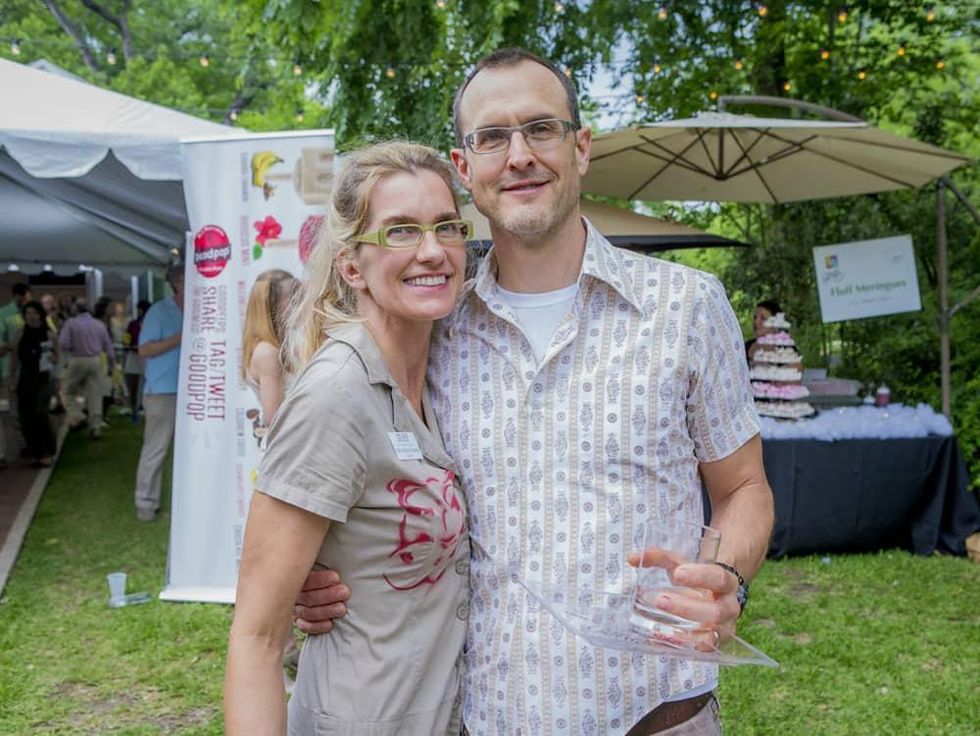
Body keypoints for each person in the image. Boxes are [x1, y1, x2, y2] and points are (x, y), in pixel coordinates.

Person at [297, 48, 775, 735]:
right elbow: (356, 481)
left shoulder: (687, 308)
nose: (518, 154)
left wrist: (724, 573)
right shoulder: (431, 332)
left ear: (581, 148)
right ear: (465, 168)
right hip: (483, 717)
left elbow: (744, 488)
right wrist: (318, 579)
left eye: (541, 129)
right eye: (492, 137)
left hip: (658, 715)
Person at [225, 142, 471, 734]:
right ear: (351, 265)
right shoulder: (334, 396)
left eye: (447, 227)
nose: (433, 250)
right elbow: (257, 638)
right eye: (400, 232)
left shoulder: (447, 371)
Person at [134, 264, 184, 522]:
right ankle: (145, 504)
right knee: (156, 449)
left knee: (191, 451)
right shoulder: (159, 311)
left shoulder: (203, 308)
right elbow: (144, 350)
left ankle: (187, 504)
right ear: (177, 282)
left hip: (194, 393)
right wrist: (180, 338)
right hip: (162, 392)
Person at [242, 269, 299, 430]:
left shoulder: (283, 346)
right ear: (273, 305)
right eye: (294, 295)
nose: (302, 301)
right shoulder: (267, 352)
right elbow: (275, 419)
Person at [7, 301, 59, 467]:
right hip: (26, 378)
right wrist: (11, 379)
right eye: (28, 313)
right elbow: (14, 358)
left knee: (40, 413)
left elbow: (57, 355)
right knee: (26, 416)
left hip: (43, 378)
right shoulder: (20, 333)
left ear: (40, 314)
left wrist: (54, 358)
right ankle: (36, 451)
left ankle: (47, 451)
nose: (31, 316)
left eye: (34, 313)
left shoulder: (49, 334)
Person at [59, 300, 115, 439]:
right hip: (96, 360)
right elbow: (109, 347)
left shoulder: (70, 323)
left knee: (66, 390)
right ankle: (96, 428)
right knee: (95, 394)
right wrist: (111, 366)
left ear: (75, 310)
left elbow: (63, 343)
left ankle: (78, 415)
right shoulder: (99, 324)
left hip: (77, 358)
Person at [122, 300, 151, 420]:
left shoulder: (152, 324)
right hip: (133, 355)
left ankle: (142, 407)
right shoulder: (133, 324)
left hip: (146, 356)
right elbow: (127, 338)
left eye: (140, 309)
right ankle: (134, 407)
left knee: (144, 383)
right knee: (132, 382)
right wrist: (126, 344)